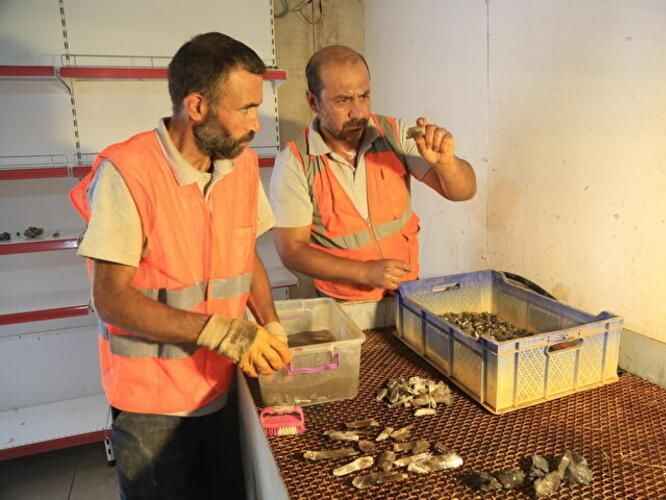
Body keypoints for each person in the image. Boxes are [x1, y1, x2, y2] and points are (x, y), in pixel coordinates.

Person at [69, 32, 292, 500]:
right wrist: (223, 332)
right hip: (151, 408)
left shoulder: (240, 164)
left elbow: (246, 254)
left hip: (218, 386)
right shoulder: (128, 173)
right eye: (246, 109)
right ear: (197, 107)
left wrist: (271, 323)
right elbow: (111, 299)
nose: (256, 124)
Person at [270, 45, 476, 301]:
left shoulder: (394, 133)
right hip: (343, 306)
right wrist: (364, 272)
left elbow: (463, 192)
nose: (358, 112)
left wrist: (447, 164)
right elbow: (292, 250)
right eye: (343, 100)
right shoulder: (295, 162)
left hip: (406, 295)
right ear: (313, 102)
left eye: (364, 96)